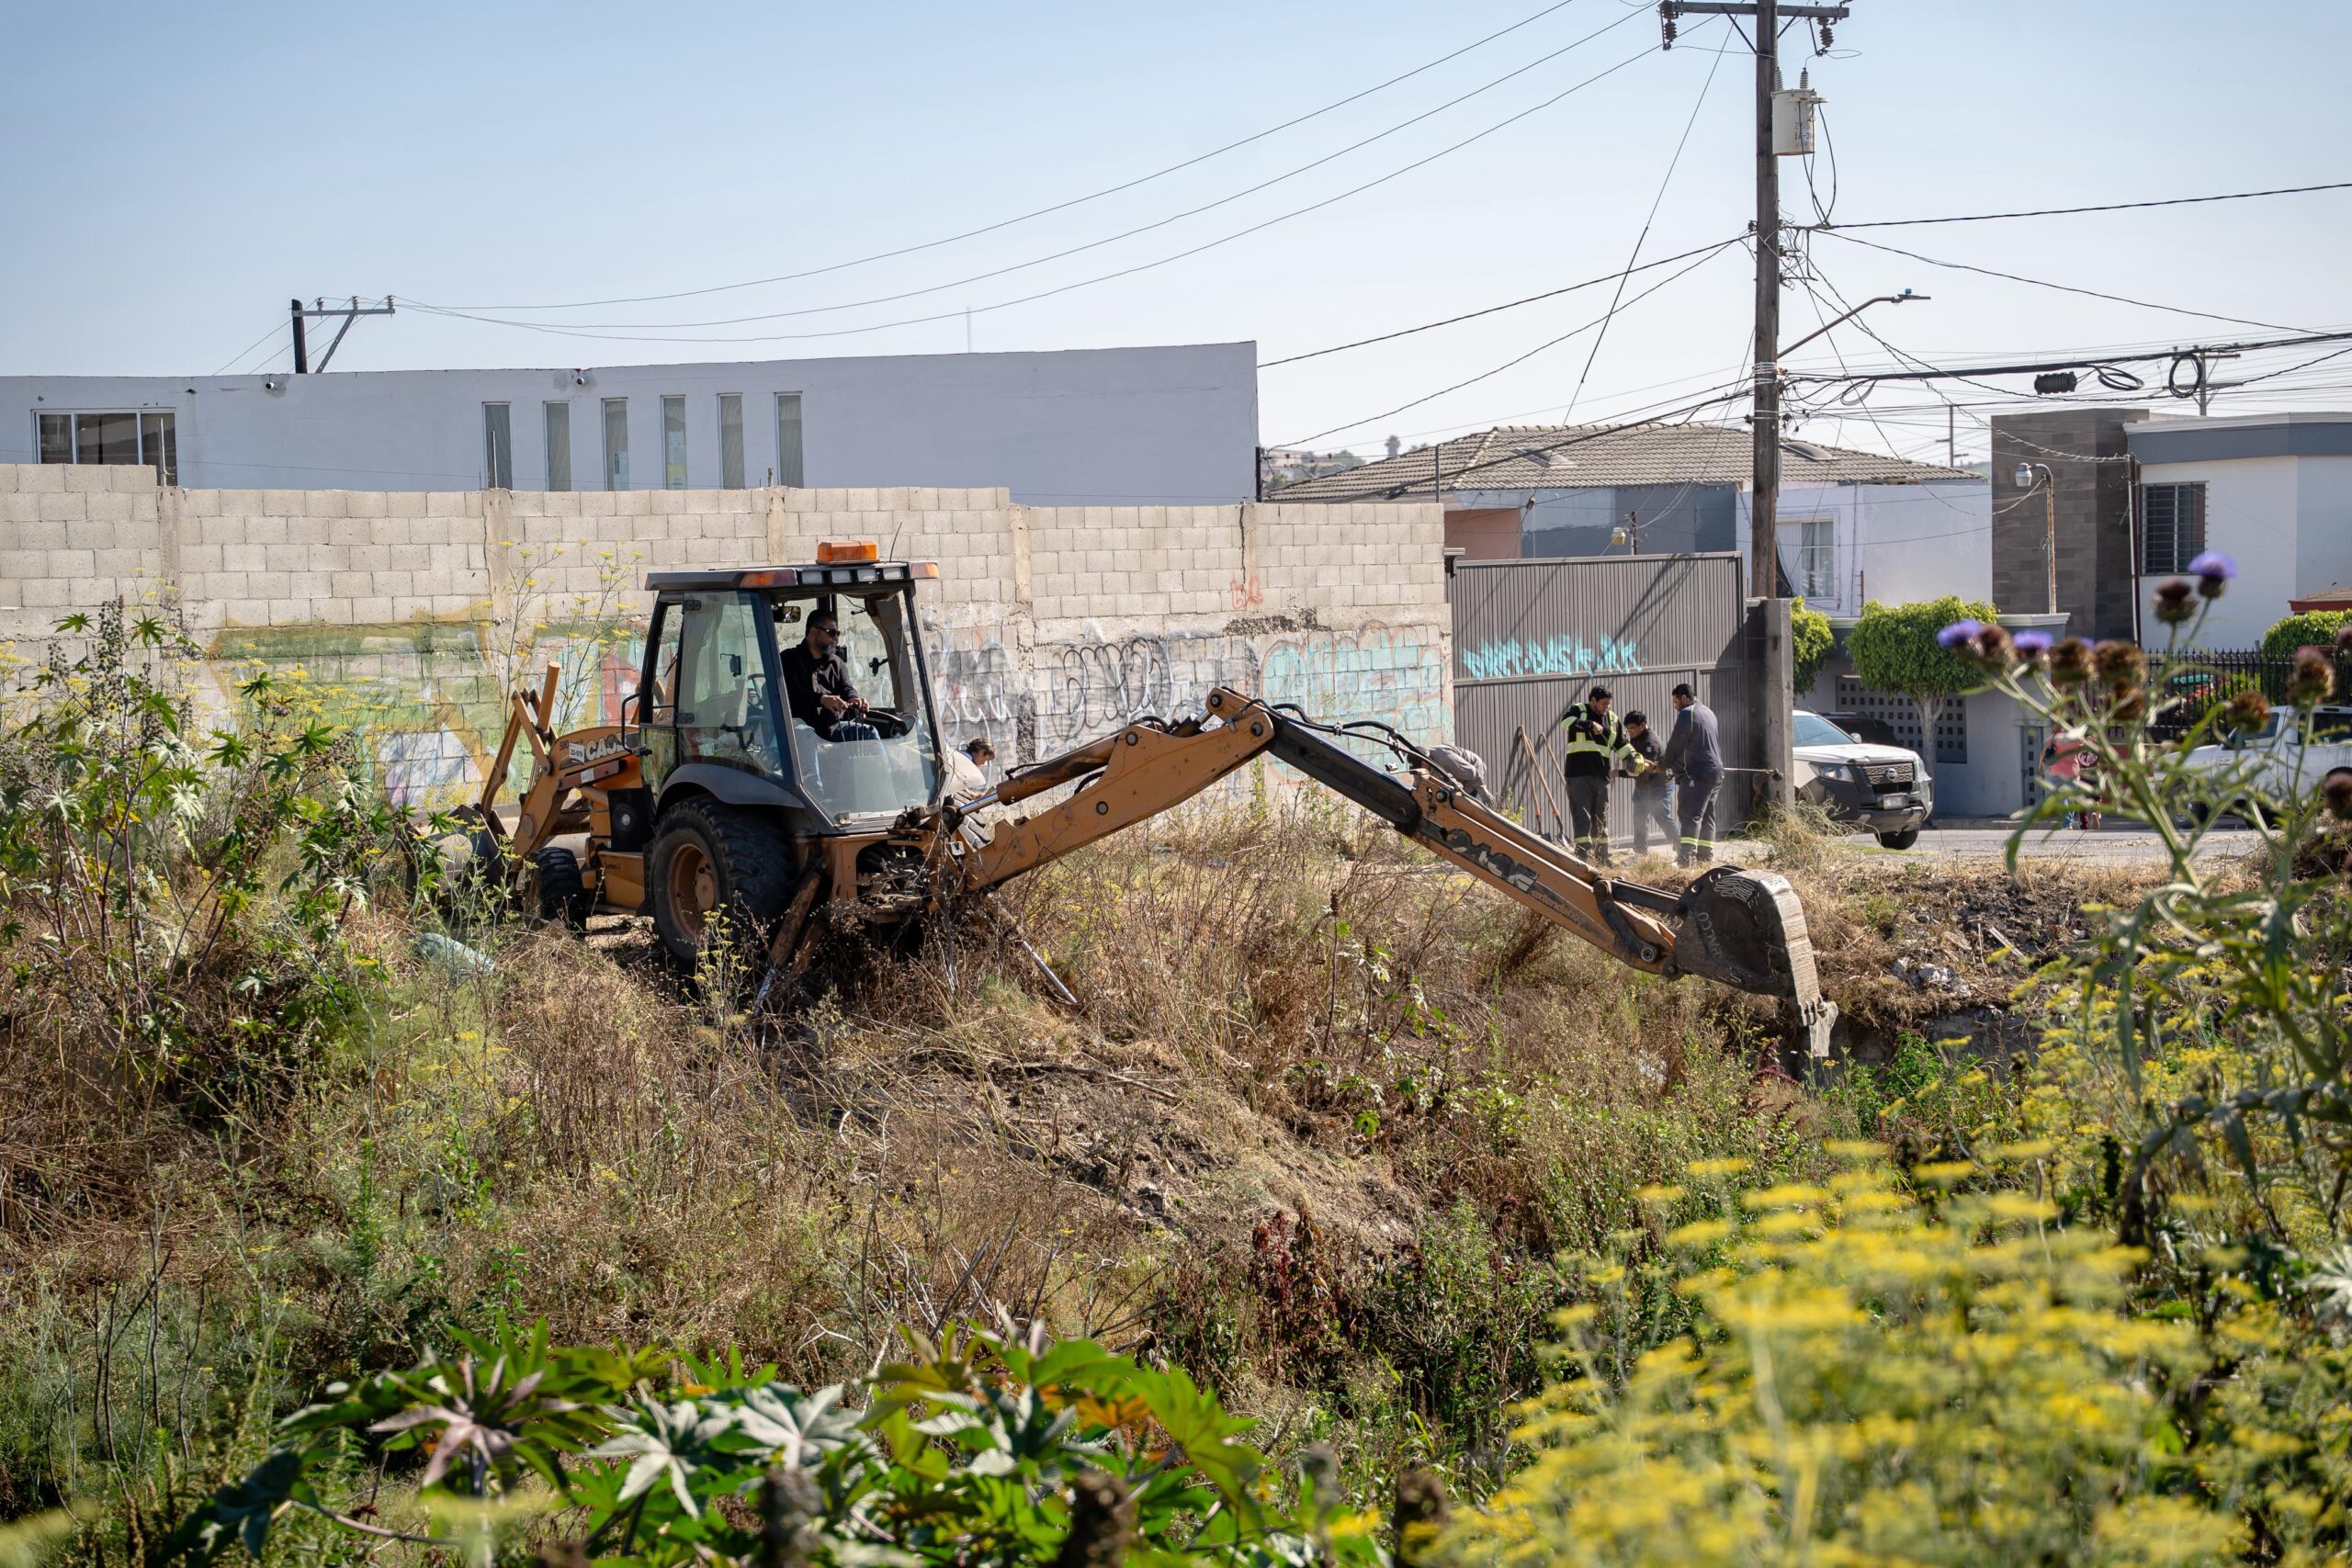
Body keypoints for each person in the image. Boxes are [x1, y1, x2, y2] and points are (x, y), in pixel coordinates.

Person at [779, 608, 880, 741]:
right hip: (800, 728)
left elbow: (847, 687)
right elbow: (791, 693)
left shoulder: (837, 663)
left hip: (833, 728)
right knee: (806, 736)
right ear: (814, 632)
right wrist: (822, 700)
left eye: (837, 633)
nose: (836, 638)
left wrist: (853, 699)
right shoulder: (789, 659)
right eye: (831, 633)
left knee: (869, 733)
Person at [1559, 684, 1634, 866]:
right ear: (1593, 700)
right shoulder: (1579, 710)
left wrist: (1632, 758)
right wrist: (1589, 725)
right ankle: (1583, 856)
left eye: (1608, 704)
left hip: (1601, 776)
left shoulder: (1612, 719)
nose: (1606, 707)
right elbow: (1565, 722)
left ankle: (1603, 856)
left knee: (1601, 816)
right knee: (1582, 815)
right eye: (1603, 704)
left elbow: (1621, 744)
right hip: (1578, 774)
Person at [1657, 682, 1723, 867]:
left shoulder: (1688, 713)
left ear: (1685, 698)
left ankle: (1686, 859)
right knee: (1707, 814)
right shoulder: (1708, 712)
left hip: (1697, 773)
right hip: (1715, 772)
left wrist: (1662, 765)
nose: (1675, 707)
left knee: (1689, 814)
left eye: (1676, 702)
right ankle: (1705, 857)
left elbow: (1675, 745)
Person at [1622, 710, 1676, 860]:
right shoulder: (1635, 737)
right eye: (1628, 729)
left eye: (1633, 728)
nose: (1630, 732)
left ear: (1643, 725)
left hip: (1659, 785)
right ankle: (1640, 854)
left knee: (1662, 817)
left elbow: (1642, 769)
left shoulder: (1650, 743)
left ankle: (1683, 850)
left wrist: (1620, 773)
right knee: (1639, 819)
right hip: (1643, 786)